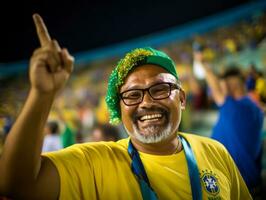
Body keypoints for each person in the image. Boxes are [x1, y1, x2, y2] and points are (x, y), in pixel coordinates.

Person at [0, 14, 251, 199]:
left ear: (182, 99)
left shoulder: (216, 152)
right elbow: (14, 183)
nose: (147, 101)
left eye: (160, 88)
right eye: (132, 95)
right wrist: (41, 94)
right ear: (120, 110)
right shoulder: (95, 162)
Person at [194, 52, 264, 197]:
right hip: (249, 185)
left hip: (240, 190)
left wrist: (202, 63)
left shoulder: (235, 108)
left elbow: (214, 85)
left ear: (230, 86)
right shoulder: (253, 109)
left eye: (223, 85)